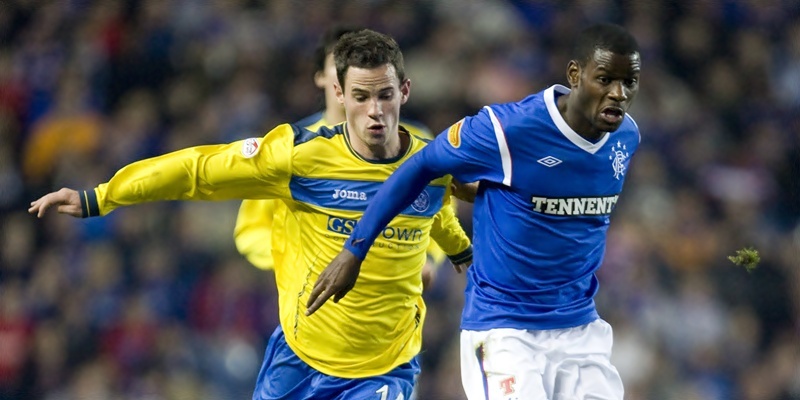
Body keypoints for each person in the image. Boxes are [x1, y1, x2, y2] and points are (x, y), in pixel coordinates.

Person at [29, 29, 473, 400]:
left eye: (385, 95)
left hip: (386, 366)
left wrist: (453, 256)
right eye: (360, 96)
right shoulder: (298, 158)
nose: (375, 111)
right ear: (338, 92)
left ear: (405, 91)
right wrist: (101, 197)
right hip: (300, 355)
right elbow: (198, 171)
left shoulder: (432, 163)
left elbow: (438, 216)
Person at [307, 23, 642, 400]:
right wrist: (355, 250)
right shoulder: (508, 129)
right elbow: (419, 166)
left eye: (629, 81)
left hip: (581, 331)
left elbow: (565, 208)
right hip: (504, 333)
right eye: (605, 79)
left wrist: (501, 197)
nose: (618, 93)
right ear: (575, 75)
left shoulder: (626, 137)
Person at [233, 25, 449, 290]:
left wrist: (427, 257)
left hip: (391, 293)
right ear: (322, 78)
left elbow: (438, 209)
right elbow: (251, 230)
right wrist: (300, 259)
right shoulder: (290, 148)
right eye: (339, 64)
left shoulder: (416, 143)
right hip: (318, 298)